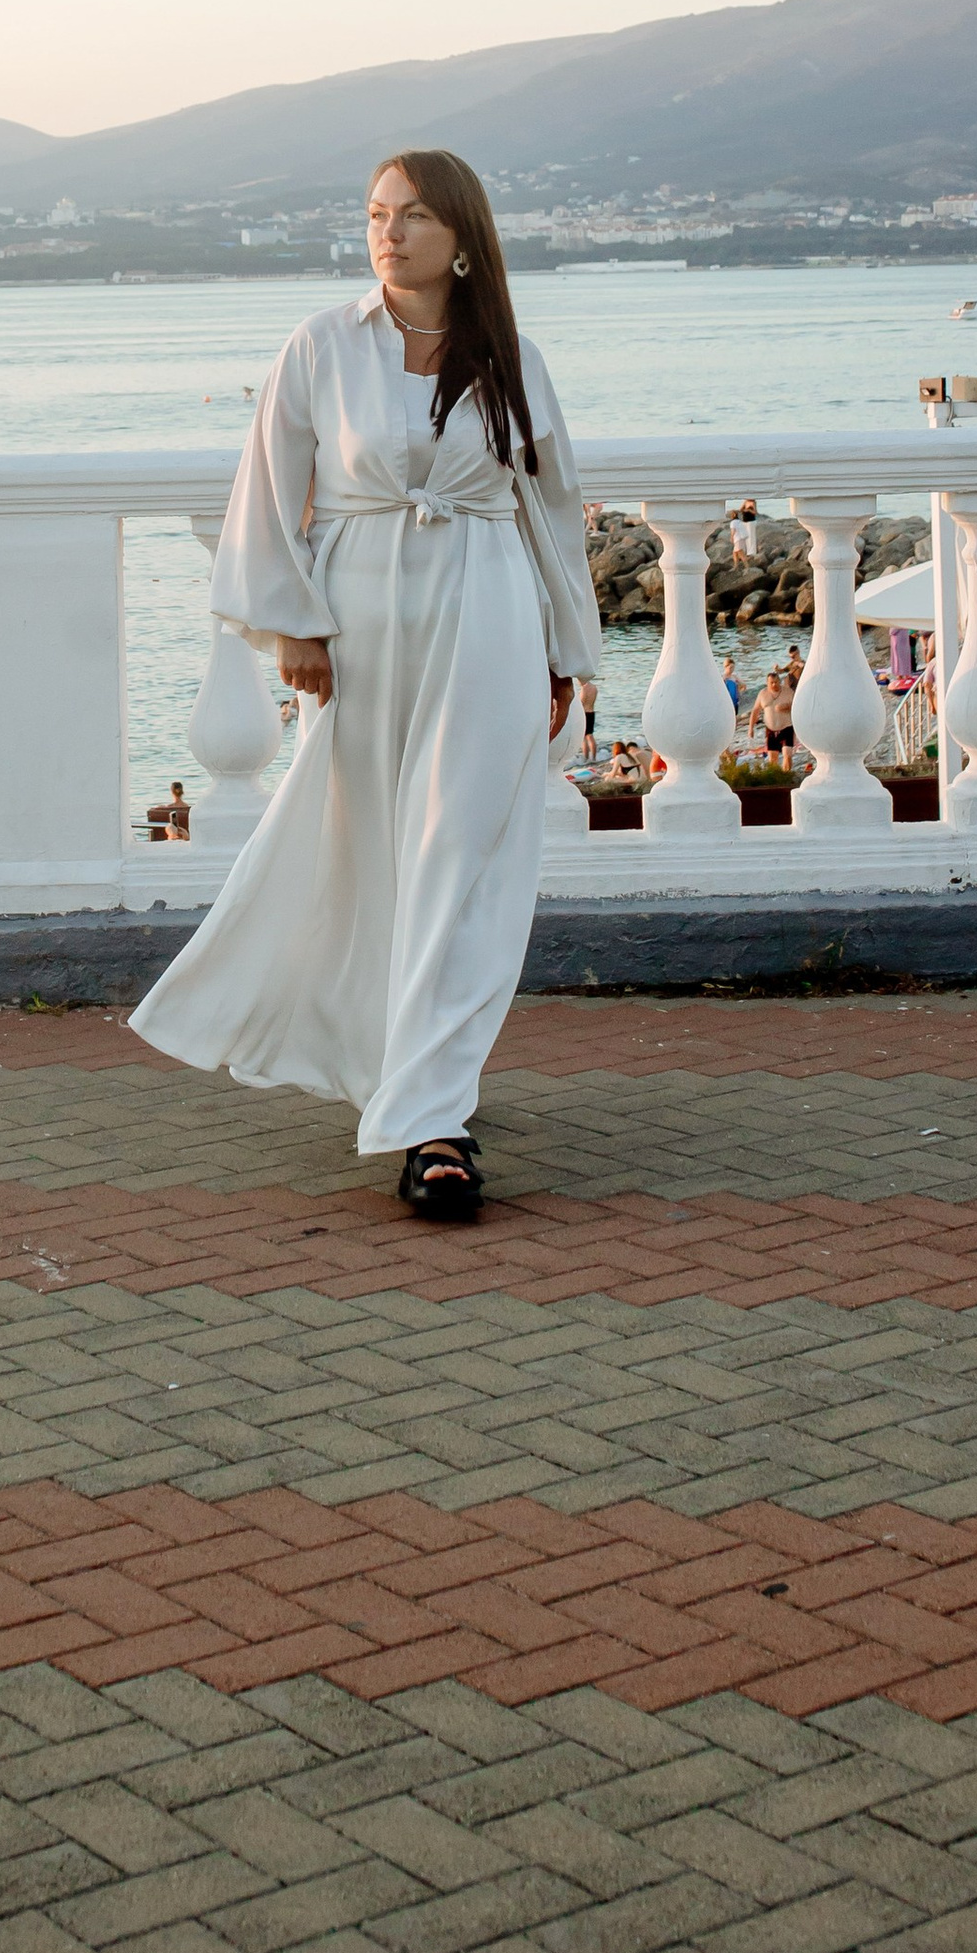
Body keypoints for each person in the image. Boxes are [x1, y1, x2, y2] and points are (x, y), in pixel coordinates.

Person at [129, 147, 599, 1222]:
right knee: (362, 852)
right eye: (377, 214)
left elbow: (551, 507)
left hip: (486, 611)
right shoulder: (322, 345)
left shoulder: (512, 356)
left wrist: (564, 650)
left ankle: (432, 1123)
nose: (389, 232)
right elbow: (265, 493)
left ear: (463, 239)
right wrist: (292, 622)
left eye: (414, 215)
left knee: (460, 858)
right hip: (360, 625)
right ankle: (391, 1066)